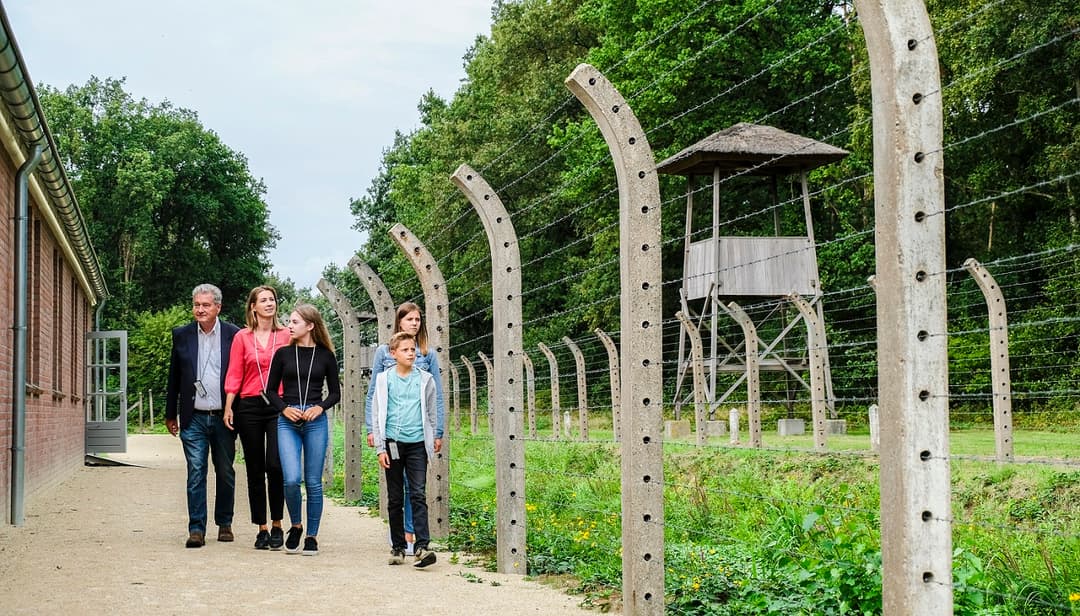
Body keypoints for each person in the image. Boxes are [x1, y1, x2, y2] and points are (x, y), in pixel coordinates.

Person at [364, 302, 446, 554]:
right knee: (397, 492)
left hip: (418, 433)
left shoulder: (427, 355)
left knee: (417, 489)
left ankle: (415, 538)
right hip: (392, 436)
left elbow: (436, 397)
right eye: (409, 319)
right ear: (399, 321)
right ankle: (400, 539)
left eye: (418, 319)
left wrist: (438, 430)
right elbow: (374, 397)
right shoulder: (384, 354)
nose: (414, 323)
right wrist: (372, 429)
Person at [165, 283, 240, 548]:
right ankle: (196, 528)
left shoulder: (235, 335)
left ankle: (225, 523)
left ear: (218, 307)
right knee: (196, 470)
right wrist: (169, 412)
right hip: (193, 415)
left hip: (223, 416)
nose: (200, 309)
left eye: (206, 305)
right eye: (197, 305)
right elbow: (174, 375)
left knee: (225, 471)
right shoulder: (182, 335)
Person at [265, 303, 340, 556]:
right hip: (288, 420)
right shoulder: (283, 354)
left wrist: (320, 408)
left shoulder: (326, 356)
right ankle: (296, 525)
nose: (289, 325)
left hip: (315, 420)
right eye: (290, 321)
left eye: (295, 322)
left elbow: (336, 393)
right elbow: (270, 391)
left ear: (310, 325)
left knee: (313, 482)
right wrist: (284, 409)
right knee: (291, 478)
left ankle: (312, 535)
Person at [223, 285, 291, 550]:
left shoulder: (286, 335)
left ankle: (277, 523)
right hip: (249, 405)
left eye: (272, 299)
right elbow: (235, 373)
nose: (269, 303)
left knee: (275, 464)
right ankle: (261, 527)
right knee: (254, 468)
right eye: (263, 300)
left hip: (278, 405)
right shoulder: (242, 337)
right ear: (253, 306)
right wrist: (229, 406)